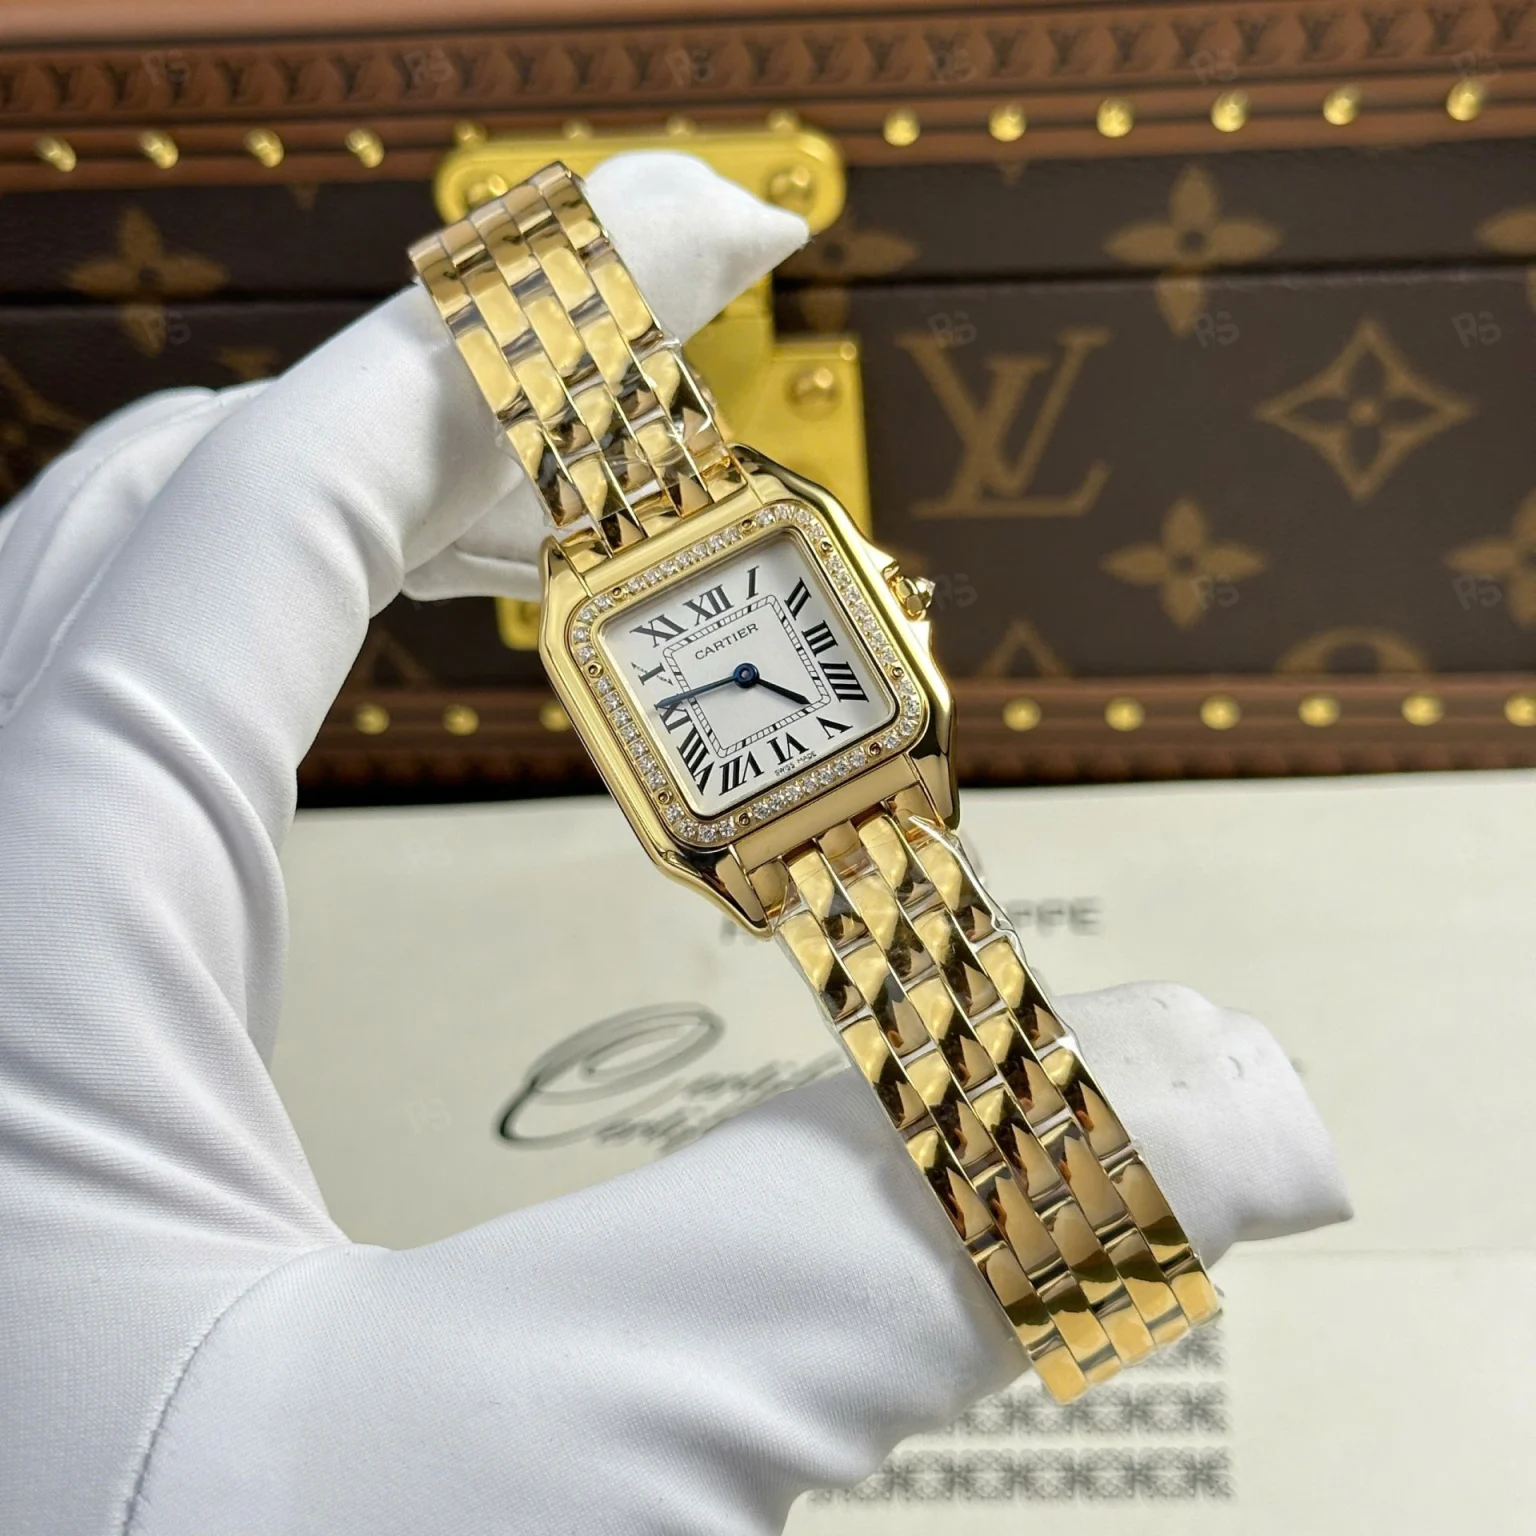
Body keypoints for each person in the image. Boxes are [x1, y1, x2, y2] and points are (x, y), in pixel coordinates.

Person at [0, 153, 1349, 1536]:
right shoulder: (654, 669)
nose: (745, 676)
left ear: (883, 607)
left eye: (777, 651)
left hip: (871, 811)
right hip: (810, 841)